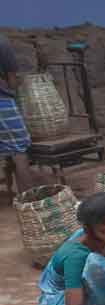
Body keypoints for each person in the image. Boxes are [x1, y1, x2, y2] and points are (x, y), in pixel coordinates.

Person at [0, 32, 35, 195]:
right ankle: (28, 202)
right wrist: (16, 86)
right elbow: (12, 80)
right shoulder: (2, 42)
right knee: (19, 149)